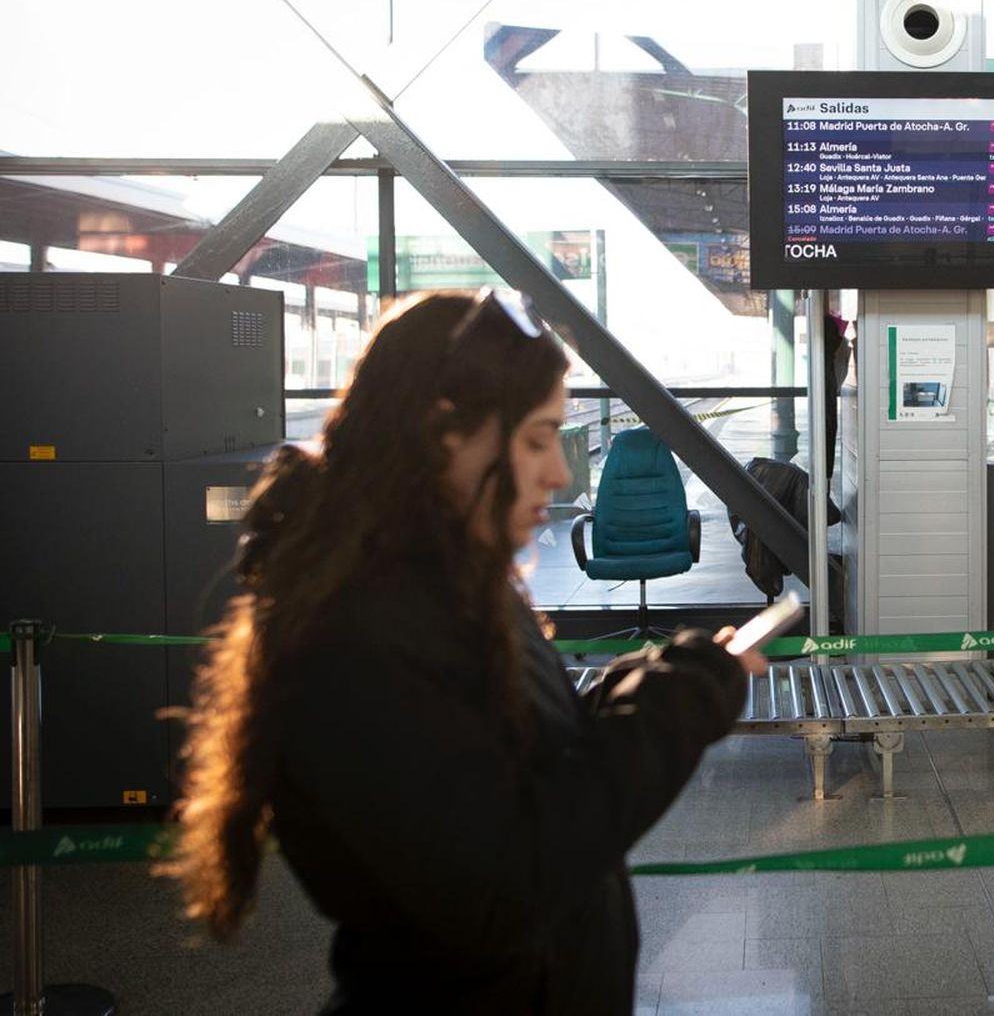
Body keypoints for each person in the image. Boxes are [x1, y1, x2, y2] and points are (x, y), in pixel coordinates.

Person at [165, 287, 767, 1014]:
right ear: (448, 432)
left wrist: (645, 678)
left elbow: (517, 760)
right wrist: (688, 697)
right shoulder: (356, 635)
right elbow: (507, 882)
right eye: (539, 439)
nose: (561, 474)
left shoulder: (447, 585)